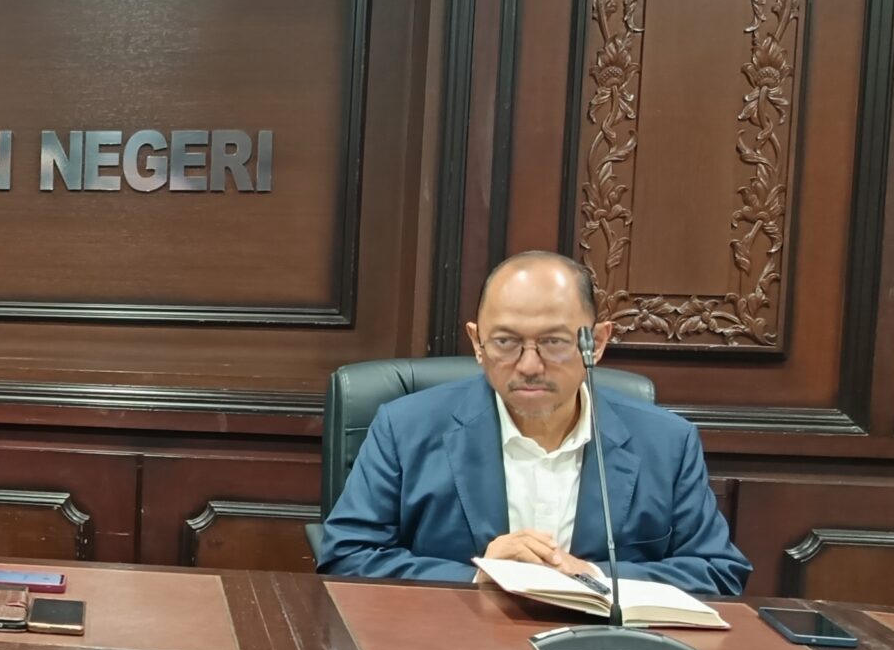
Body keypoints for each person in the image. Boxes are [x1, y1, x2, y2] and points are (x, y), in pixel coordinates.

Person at [317, 251, 749, 594]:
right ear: (477, 342)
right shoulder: (405, 428)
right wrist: (477, 577)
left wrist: (592, 578)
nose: (528, 365)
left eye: (553, 342)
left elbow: (717, 570)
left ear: (596, 343)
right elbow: (346, 557)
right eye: (505, 342)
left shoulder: (666, 443)